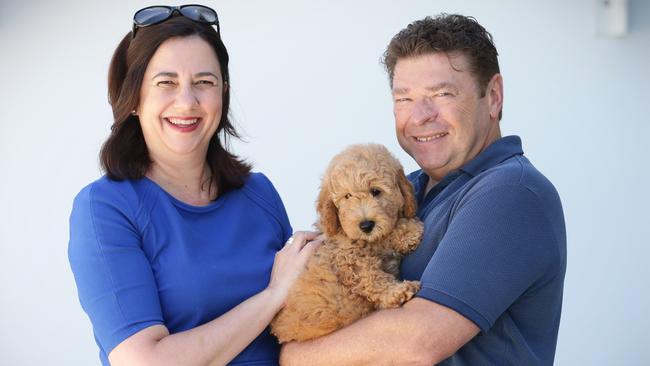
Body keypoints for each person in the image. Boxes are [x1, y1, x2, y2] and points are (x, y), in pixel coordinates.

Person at [280, 13, 566, 366]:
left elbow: (417, 343)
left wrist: (293, 355)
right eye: (404, 99)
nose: (421, 116)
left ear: (493, 97)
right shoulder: (404, 189)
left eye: (442, 93)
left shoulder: (511, 192)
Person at [68, 5, 321, 366]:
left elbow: (296, 323)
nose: (187, 102)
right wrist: (273, 295)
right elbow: (144, 361)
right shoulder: (105, 209)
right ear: (135, 97)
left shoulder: (260, 193)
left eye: (204, 83)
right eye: (166, 83)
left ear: (223, 94)